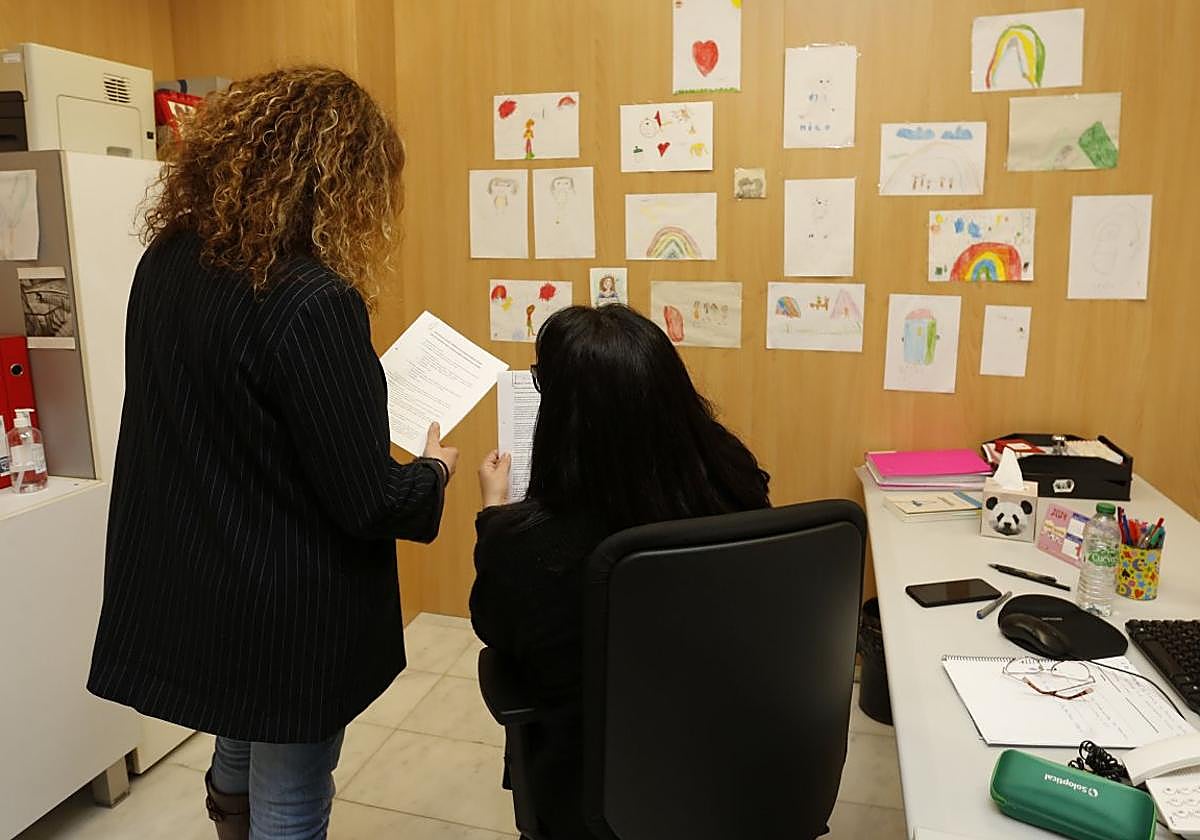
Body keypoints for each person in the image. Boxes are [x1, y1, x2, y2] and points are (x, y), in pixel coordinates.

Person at [86, 66, 459, 840]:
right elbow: (368, 501)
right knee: (291, 793)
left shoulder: (167, 263)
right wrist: (433, 469)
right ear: (340, 183)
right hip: (287, 606)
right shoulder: (313, 299)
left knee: (235, 730)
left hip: (201, 575)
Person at [469, 304, 770, 839]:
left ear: (563, 416)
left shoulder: (526, 543)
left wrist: (492, 516)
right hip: (730, 767)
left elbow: (498, 631)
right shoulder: (735, 480)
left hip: (597, 797)